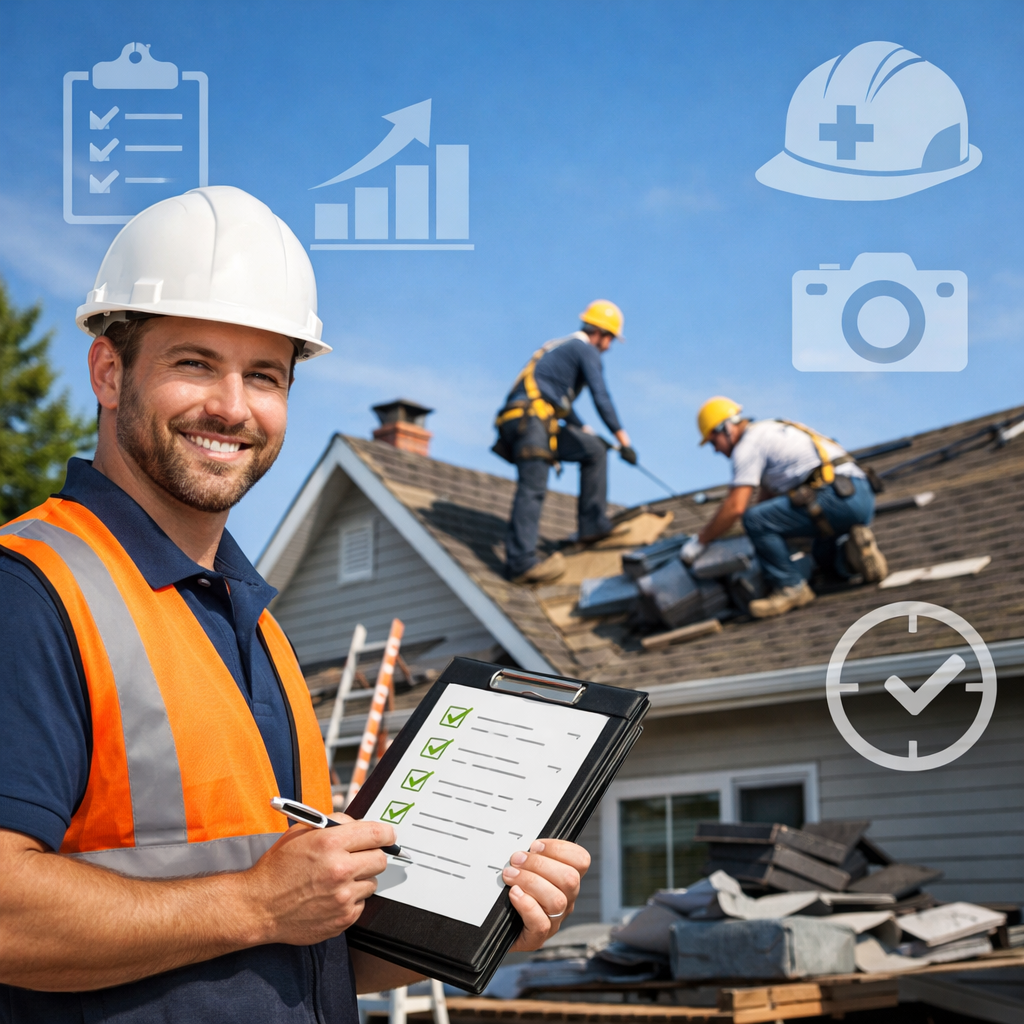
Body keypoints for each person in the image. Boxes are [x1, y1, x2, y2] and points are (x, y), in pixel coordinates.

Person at [0, 187, 589, 1023]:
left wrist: (493, 918)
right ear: (108, 370)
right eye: (193, 362)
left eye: (264, 376)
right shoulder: (30, 589)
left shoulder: (260, 629)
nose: (232, 407)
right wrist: (255, 904)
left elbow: (302, 941)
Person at [681, 397, 887, 618]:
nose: (715, 450)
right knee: (822, 560)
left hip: (832, 499)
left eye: (714, 442)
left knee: (754, 519)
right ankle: (852, 555)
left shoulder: (748, 445)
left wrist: (701, 542)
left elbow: (736, 508)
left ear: (727, 428)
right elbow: (769, 503)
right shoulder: (773, 429)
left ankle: (790, 587)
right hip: (859, 495)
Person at [495, 300, 636, 583]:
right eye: (609, 339)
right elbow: (601, 396)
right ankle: (520, 562)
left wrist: (588, 431)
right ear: (599, 333)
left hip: (530, 419)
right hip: (531, 421)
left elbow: (560, 403)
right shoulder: (585, 350)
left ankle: (592, 525)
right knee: (533, 488)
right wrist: (624, 440)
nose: (608, 347)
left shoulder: (565, 351)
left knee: (594, 449)